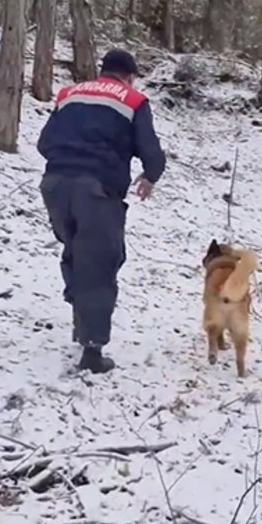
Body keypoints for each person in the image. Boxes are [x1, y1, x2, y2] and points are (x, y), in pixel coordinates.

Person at [36, 49, 166, 374]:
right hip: (96, 192)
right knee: (99, 264)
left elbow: (43, 143)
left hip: (54, 187)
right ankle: (92, 351)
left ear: (102, 71)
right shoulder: (133, 101)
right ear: (129, 76)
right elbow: (151, 151)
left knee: (77, 251)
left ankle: (79, 305)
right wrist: (151, 174)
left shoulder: (69, 94)